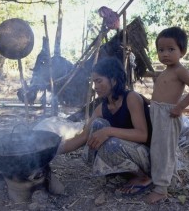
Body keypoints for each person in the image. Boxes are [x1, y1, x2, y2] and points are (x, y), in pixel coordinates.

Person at [58, 57, 153, 196]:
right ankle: (124, 173)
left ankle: (143, 177)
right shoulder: (102, 108)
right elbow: (83, 137)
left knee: (110, 142)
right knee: (97, 125)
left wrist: (108, 131)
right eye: (93, 82)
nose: (95, 87)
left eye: (99, 81)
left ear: (113, 80)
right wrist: (51, 150)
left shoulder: (131, 98)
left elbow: (142, 134)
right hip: (125, 155)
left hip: (146, 157)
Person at [144, 27, 189, 204]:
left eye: (171, 49)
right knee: (157, 147)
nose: (165, 54)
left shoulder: (179, 70)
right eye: (161, 50)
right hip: (157, 112)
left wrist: (180, 107)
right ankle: (164, 177)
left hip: (168, 115)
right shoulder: (164, 72)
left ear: (182, 51)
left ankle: (161, 188)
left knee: (164, 150)